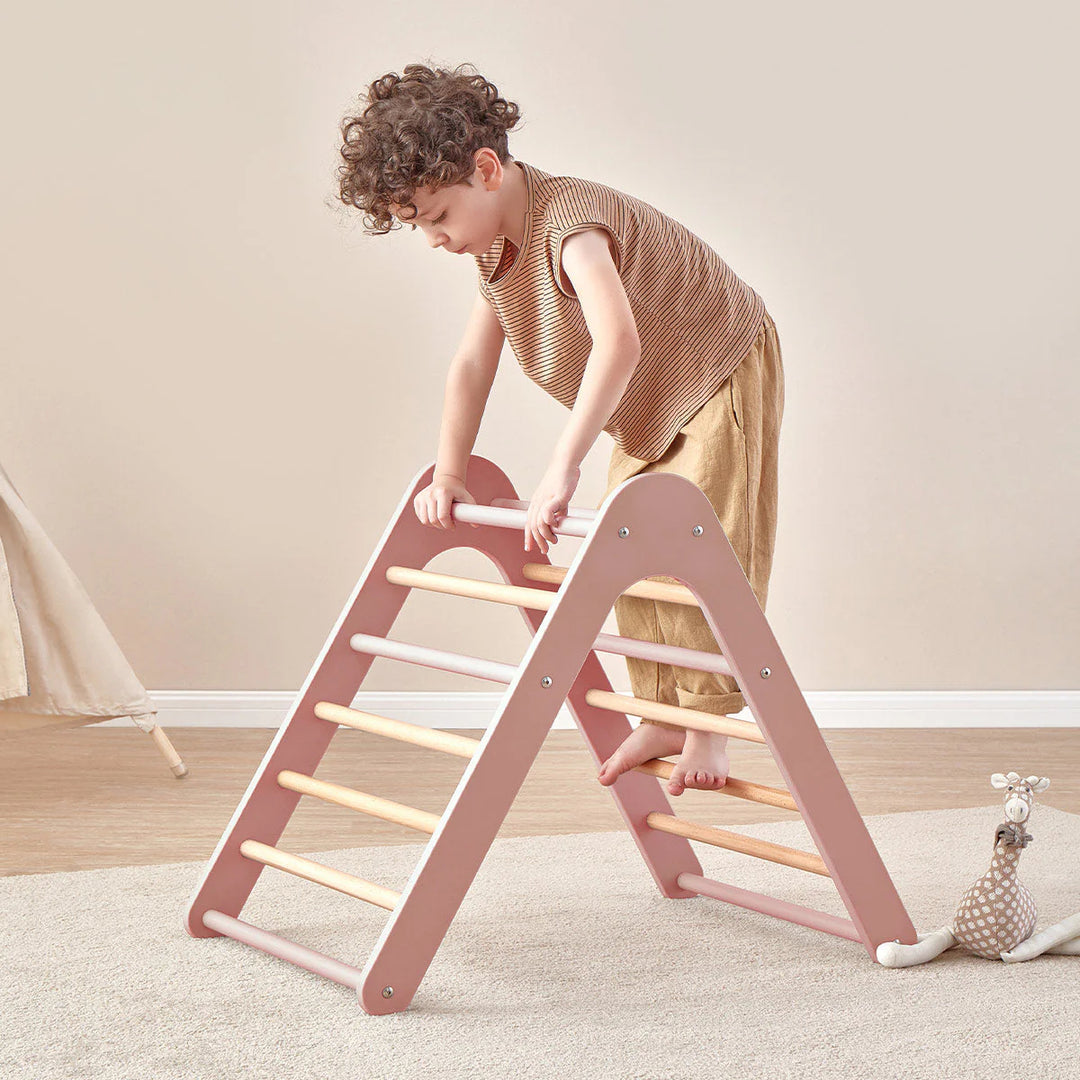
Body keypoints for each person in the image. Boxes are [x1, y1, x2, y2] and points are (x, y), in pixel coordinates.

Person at [335, 62, 784, 797]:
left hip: (716, 366)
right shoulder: (493, 252)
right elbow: (471, 366)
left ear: (485, 169)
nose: (435, 241)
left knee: (705, 543)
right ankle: (661, 713)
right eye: (420, 226)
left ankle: (708, 723)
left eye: (438, 218)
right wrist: (450, 472)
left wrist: (563, 465)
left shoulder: (570, 224)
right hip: (650, 398)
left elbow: (618, 343)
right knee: (632, 548)